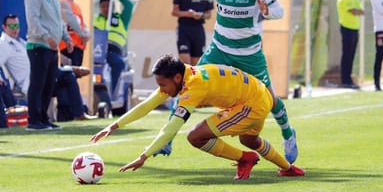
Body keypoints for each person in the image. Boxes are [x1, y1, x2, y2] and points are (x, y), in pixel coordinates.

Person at [169, 0, 297, 163]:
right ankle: (168, 139)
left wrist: (266, 11)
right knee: (190, 83)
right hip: (219, 47)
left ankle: (287, 133)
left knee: (270, 98)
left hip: (249, 53)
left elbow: (280, 12)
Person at [90, 55, 305, 179]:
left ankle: (245, 158)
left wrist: (144, 156)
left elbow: (171, 128)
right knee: (249, 140)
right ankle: (288, 168)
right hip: (257, 95)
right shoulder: (183, 75)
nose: (162, 90)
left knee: (195, 136)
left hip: (252, 103)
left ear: (176, 77)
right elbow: (147, 105)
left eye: (163, 85)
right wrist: (114, 125)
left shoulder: (194, 87)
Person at [0, 14, 93, 122]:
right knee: (66, 75)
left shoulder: (21, 42)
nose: (15, 29)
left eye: (17, 25)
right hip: (30, 82)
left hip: (40, 77)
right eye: (11, 26)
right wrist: (0, 81)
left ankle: (67, 117)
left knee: (66, 80)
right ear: (4, 27)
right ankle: (78, 110)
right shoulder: (2, 45)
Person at [24, 0, 74, 131]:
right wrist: (46, 36)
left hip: (52, 48)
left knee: (48, 85)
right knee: (37, 84)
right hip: (38, 46)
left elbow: (58, 22)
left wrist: (66, 38)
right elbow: (33, 20)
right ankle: (34, 120)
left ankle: (44, 118)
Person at [171, 0, 214, 65]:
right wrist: (187, 14)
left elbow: (209, 15)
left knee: (197, 65)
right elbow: (174, 11)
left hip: (198, 29)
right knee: (186, 64)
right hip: (184, 29)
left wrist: (201, 15)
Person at [93, 0, 133, 96]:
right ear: (99, 8)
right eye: (103, 6)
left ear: (113, 7)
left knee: (118, 63)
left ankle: (112, 92)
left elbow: (129, 6)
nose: (106, 9)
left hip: (113, 50)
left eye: (108, 6)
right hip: (97, 50)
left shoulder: (121, 19)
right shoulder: (95, 20)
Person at [336, 0, 364, 89]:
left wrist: (357, 11)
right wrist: (357, 11)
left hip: (354, 28)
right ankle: (345, 80)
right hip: (347, 28)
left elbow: (361, 11)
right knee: (347, 55)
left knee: (351, 55)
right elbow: (353, 10)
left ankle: (349, 79)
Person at [59, 0, 90, 66]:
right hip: (68, 46)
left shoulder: (76, 6)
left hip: (78, 46)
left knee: (75, 74)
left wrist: (87, 35)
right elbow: (70, 20)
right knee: (68, 75)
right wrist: (83, 35)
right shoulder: (63, 2)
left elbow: (82, 24)